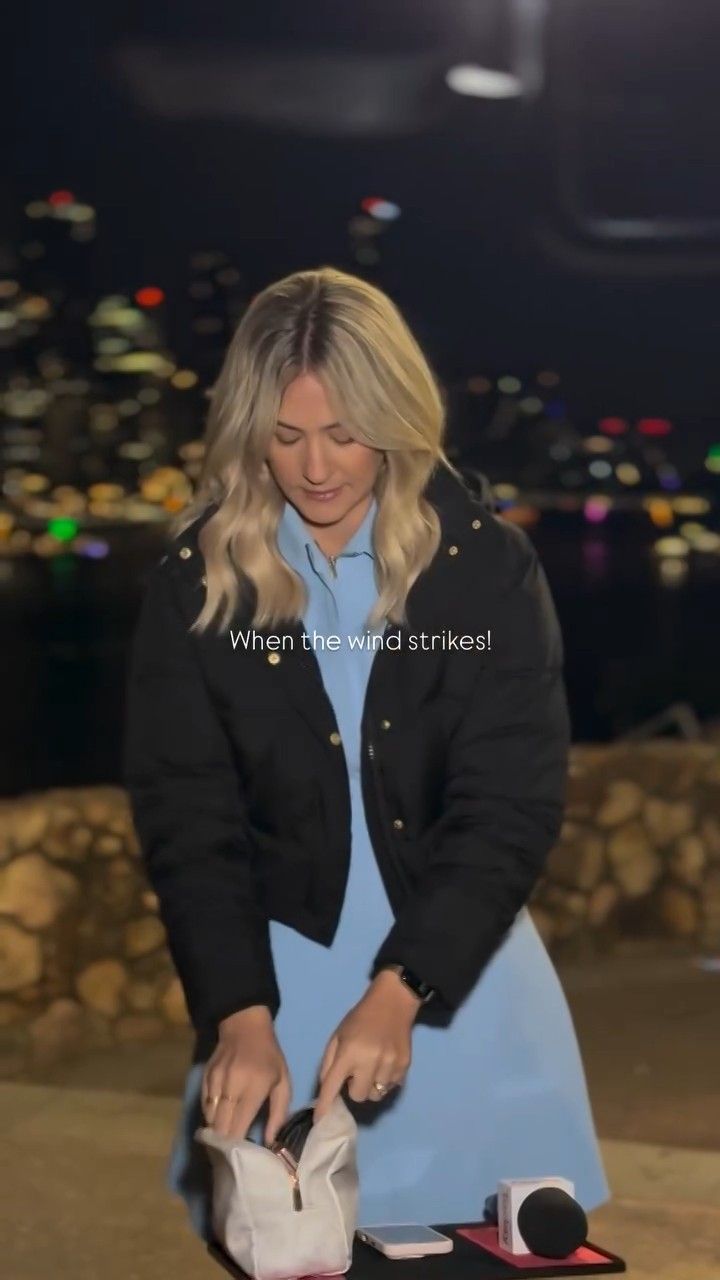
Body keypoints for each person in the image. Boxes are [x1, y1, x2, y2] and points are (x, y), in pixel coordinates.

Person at [123, 266, 610, 1243]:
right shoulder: (198, 586)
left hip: (460, 983)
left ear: (395, 419)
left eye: (344, 433)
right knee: (293, 1251)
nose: (315, 467)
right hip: (279, 999)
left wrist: (401, 988)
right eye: (286, 434)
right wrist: (238, 1014)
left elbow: (509, 804)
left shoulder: (486, 571)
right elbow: (190, 822)